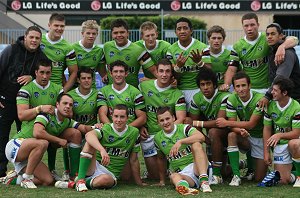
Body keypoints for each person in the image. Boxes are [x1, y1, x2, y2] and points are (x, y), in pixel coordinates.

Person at [4, 93, 97, 188]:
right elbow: (37, 133)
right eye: (65, 103)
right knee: (43, 143)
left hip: (29, 157)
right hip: (16, 146)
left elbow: (84, 128)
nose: (68, 106)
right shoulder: (46, 114)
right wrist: (59, 140)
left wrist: (96, 127)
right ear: (57, 104)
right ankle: (27, 178)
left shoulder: (67, 121)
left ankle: (14, 179)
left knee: (48, 181)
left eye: (70, 105)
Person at [56, 104, 145, 191]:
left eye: (122, 117)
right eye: (116, 116)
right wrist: (102, 150)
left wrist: (139, 182)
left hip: (110, 174)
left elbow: (134, 160)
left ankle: (74, 183)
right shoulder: (106, 128)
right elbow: (89, 135)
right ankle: (80, 180)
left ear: (127, 118)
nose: (118, 120)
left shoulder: (134, 133)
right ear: (112, 116)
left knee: (105, 180)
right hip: (94, 165)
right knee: (90, 142)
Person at [0, 26, 48, 177]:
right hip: (5, 102)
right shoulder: (11, 50)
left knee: (26, 139)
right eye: (31, 37)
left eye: (37, 38)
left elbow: (44, 75)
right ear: (25, 37)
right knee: (1, 136)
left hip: (26, 105)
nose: (34, 40)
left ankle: (22, 172)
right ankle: (1, 171)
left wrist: (31, 77)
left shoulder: (41, 55)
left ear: (40, 40)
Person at [224, 12, 298, 94]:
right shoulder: (237, 46)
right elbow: (231, 69)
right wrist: (226, 85)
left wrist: (282, 46)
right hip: (249, 89)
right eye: (246, 26)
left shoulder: (267, 38)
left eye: (252, 25)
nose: (249, 28)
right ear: (243, 27)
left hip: (268, 88)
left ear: (258, 25)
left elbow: (294, 39)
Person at [216, 71, 268, 186]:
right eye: (237, 86)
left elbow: (251, 124)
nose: (241, 89)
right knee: (231, 135)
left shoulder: (259, 99)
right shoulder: (232, 99)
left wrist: (226, 122)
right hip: (245, 136)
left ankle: (247, 164)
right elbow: (231, 124)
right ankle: (236, 176)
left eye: (243, 85)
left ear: (250, 86)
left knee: (259, 178)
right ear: (234, 88)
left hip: (260, 138)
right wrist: (239, 130)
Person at [139, 58, 186, 179]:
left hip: (167, 135)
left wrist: (165, 134)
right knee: (154, 176)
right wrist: (141, 126)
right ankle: (163, 172)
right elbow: (136, 109)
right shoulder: (143, 86)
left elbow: (181, 118)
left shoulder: (177, 93)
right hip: (149, 134)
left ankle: (173, 169)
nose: (164, 74)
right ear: (157, 72)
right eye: (161, 71)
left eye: (167, 71)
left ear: (171, 74)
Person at [154, 106, 212, 195]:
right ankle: (184, 189)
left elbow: (201, 137)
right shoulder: (157, 138)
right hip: (184, 174)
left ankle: (204, 182)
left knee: (196, 144)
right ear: (158, 122)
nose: (165, 122)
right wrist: (162, 180)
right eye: (162, 120)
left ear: (173, 118)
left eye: (167, 119)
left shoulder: (184, 128)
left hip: (199, 167)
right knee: (173, 176)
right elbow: (161, 159)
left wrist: (181, 141)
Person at [187, 67, 229, 184]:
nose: (205, 87)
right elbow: (195, 127)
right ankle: (239, 165)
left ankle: (216, 175)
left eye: (208, 84)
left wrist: (195, 123)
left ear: (214, 84)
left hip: (228, 133)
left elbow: (219, 122)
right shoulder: (196, 98)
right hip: (212, 138)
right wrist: (205, 140)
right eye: (202, 84)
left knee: (213, 131)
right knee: (224, 172)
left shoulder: (223, 96)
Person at [166, 17, 210, 109]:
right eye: (179, 29)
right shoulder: (171, 50)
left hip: (198, 89)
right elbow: (172, 77)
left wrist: (199, 62)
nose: (182, 31)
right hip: (179, 90)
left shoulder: (203, 47)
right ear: (175, 32)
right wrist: (178, 67)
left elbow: (210, 72)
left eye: (185, 28)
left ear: (191, 31)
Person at [263, 77, 300, 185]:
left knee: (295, 144)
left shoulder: (296, 107)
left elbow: (296, 133)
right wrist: (266, 152)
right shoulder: (270, 105)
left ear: (284, 93)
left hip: (294, 141)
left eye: (275, 90)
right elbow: (267, 129)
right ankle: (292, 175)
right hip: (280, 144)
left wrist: (279, 135)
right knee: (283, 180)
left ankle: (299, 177)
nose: (271, 92)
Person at [102, 18, 156, 88]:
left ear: (128, 33)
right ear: (111, 34)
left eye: (122, 32)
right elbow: (100, 62)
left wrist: (151, 80)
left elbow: (155, 71)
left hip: (132, 94)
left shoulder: (139, 50)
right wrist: (103, 74)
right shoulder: (106, 47)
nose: (119, 35)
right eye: (115, 33)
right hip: (111, 95)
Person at [259, 23, 300, 108]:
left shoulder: (287, 53)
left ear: (281, 36)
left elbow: (280, 77)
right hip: (281, 96)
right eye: (267, 34)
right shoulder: (273, 50)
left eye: (273, 34)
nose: (269, 36)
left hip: (293, 98)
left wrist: (267, 96)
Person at [98, 60, 146, 128]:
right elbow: (102, 115)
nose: (118, 74)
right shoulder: (103, 92)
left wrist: (125, 130)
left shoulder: (136, 92)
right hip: (110, 132)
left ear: (126, 73)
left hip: (129, 132)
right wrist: (112, 129)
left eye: (121, 71)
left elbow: (142, 118)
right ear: (111, 74)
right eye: (115, 71)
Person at [41, 13, 78, 92]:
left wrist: (64, 91)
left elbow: (74, 72)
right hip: (37, 87)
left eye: (62, 26)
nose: (59, 28)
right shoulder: (39, 40)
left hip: (56, 89)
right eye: (56, 25)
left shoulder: (68, 48)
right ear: (49, 25)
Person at [202, 25, 239, 90]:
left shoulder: (232, 54)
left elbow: (231, 71)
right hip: (208, 89)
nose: (216, 41)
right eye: (213, 38)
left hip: (225, 89)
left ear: (223, 39)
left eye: (219, 38)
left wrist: (225, 85)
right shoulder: (203, 54)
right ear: (208, 40)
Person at [72, 20, 105, 88]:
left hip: (91, 90)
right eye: (88, 33)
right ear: (82, 33)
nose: (91, 36)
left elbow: (103, 73)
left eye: (93, 34)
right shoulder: (72, 48)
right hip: (74, 89)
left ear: (97, 34)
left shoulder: (99, 51)